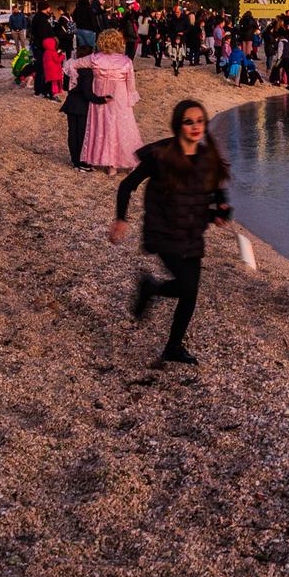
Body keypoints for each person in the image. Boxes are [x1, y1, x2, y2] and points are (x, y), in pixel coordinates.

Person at [110, 100, 232, 366]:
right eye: (189, 121)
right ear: (178, 125)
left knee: (190, 293)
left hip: (192, 230)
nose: (195, 126)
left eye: (200, 120)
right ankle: (151, 287)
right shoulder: (161, 156)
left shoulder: (207, 157)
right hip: (163, 230)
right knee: (186, 285)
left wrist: (221, 212)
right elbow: (127, 185)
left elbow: (218, 195)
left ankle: (173, 347)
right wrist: (121, 218)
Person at [69, 28, 142, 176]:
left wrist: (75, 83)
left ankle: (110, 164)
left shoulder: (94, 58)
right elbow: (131, 85)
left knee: (103, 129)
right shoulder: (126, 61)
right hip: (119, 98)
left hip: (99, 99)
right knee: (123, 129)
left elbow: (72, 64)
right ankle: (126, 161)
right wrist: (131, 99)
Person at [60, 43, 112, 171]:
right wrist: (102, 99)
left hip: (70, 103)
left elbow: (66, 87)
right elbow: (87, 93)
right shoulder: (87, 71)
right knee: (81, 134)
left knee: (72, 133)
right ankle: (81, 162)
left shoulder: (70, 66)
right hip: (81, 105)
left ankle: (74, 160)